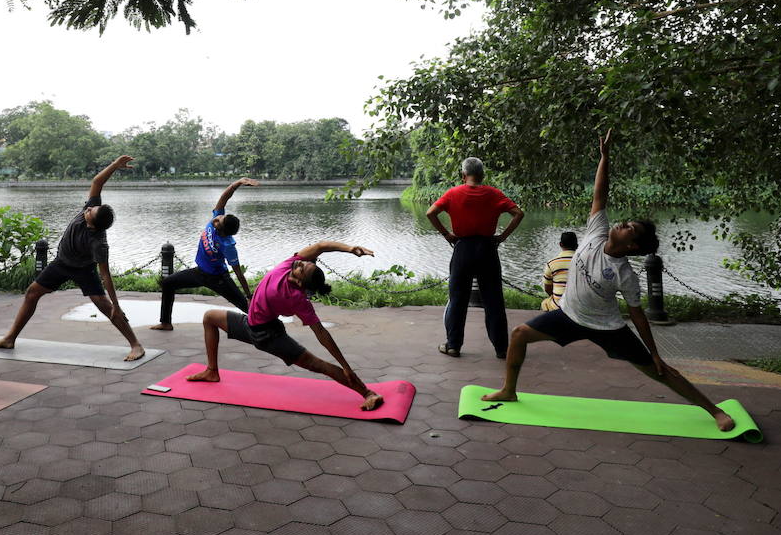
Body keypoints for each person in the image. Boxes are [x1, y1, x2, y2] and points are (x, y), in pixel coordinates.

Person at [482, 131, 735, 432]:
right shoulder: (596, 233)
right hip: (568, 315)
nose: (622, 223)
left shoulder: (624, 273)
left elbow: (637, 314)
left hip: (608, 327)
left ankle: (714, 410)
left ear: (632, 246)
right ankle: (509, 390)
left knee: (659, 371)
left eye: (629, 227)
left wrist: (654, 352)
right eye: (626, 222)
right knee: (520, 334)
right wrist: (605, 158)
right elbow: (600, 195)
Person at [186, 242, 385, 411]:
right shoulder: (290, 264)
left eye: (302, 268)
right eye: (304, 263)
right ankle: (212, 371)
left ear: (300, 282)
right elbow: (321, 246)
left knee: (320, 366)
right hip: (250, 325)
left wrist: (346, 366)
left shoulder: (297, 299)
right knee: (209, 317)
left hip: (269, 337)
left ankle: (368, 393)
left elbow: (321, 333)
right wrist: (350, 249)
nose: (300, 262)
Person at [0, 155, 145, 361]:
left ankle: (136, 345)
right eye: (90, 207)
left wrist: (116, 303)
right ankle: (10, 338)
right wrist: (115, 165)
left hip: (84, 269)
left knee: (106, 306)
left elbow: (105, 274)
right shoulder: (90, 210)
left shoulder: (98, 243)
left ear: (92, 225)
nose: (87, 208)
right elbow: (97, 182)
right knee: (32, 293)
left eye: (90, 211)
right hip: (61, 263)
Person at [425, 157, 524, 358]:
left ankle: (453, 346)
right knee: (493, 300)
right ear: (482, 175)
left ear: (463, 175)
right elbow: (518, 213)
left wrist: (447, 234)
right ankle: (501, 349)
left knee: (458, 299)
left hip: (463, 248)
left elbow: (430, 213)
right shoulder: (494, 194)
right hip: (488, 249)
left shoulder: (453, 193)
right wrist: (502, 237)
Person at [151, 178, 259, 331]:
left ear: (222, 232)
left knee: (244, 306)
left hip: (219, 279)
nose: (216, 219)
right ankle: (166, 322)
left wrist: (248, 294)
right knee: (168, 283)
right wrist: (238, 183)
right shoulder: (218, 218)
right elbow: (224, 198)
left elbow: (238, 272)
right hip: (199, 272)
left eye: (218, 222)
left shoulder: (228, 245)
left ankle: (268, 325)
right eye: (219, 217)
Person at [540, 232, 578, 310]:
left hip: (558, 307)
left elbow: (547, 288)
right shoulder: (585, 262)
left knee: (545, 303)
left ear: (560, 244)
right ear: (577, 246)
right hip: (579, 307)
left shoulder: (552, 263)